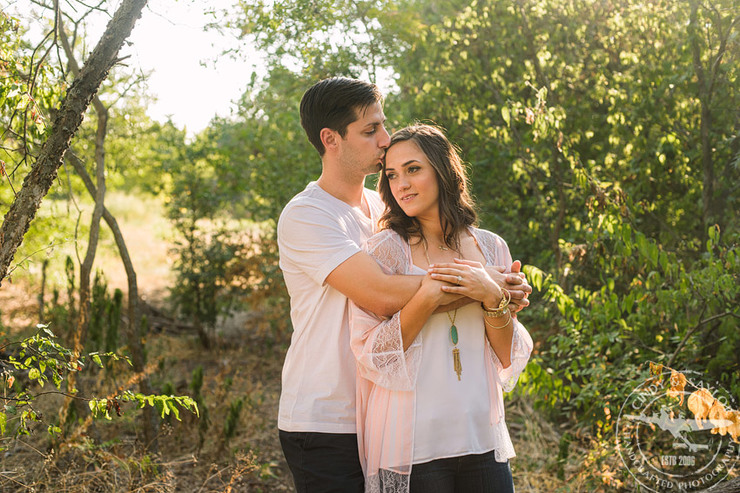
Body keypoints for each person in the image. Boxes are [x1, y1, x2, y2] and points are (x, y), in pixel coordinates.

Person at [277, 78, 531, 492]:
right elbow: (379, 291)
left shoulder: (383, 210)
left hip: (387, 410)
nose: (385, 138)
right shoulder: (308, 215)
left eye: (383, 125)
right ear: (331, 139)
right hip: (329, 416)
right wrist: (486, 283)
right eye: (370, 129)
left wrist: (496, 291)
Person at [350, 124, 533, 493]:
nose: (401, 184)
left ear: (443, 170)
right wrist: (429, 295)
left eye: (413, 169)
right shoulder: (384, 251)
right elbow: (374, 355)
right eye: (392, 175)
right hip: (413, 443)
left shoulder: (491, 248)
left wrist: (492, 295)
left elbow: (504, 354)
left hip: (479, 434)